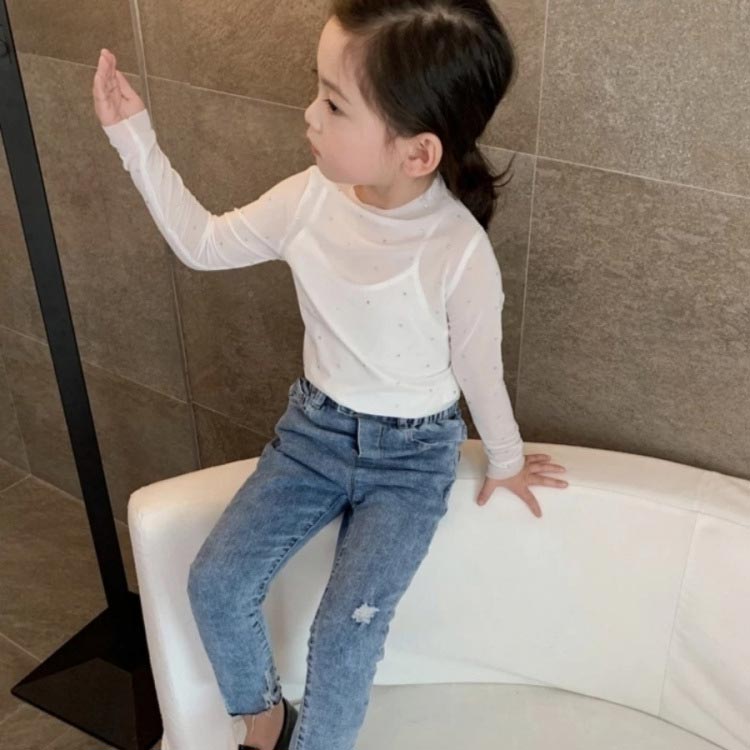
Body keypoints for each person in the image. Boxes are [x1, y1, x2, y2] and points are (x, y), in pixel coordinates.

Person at [93, 2, 569, 748]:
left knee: (347, 632)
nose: (310, 115)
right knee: (215, 581)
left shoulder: (457, 251)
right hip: (312, 436)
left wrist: (506, 461)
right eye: (318, 91)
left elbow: (479, 371)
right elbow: (203, 244)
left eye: (335, 104)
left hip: (411, 462)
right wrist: (134, 136)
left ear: (417, 152)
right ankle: (262, 721)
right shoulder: (306, 199)